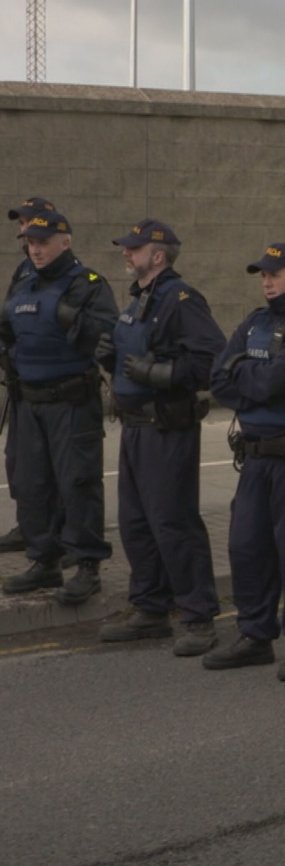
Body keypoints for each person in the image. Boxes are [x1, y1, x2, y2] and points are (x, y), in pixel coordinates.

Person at [94, 219, 225, 656]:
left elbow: (212, 361)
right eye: (126, 247)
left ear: (159, 254)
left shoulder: (180, 299)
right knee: (136, 522)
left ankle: (198, 615)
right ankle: (150, 606)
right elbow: (136, 354)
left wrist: (163, 373)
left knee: (173, 521)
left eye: (134, 248)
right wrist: (111, 358)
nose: (126, 254)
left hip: (166, 429)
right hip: (135, 430)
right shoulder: (139, 300)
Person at [205, 243, 285, 682]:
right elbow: (219, 380)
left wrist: (251, 378)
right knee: (246, 547)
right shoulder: (256, 322)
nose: (266, 281)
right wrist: (257, 382)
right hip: (256, 457)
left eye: (274, 274)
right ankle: (255, 636)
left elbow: (284, 378)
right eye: (262, 274)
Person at [0, 209, 116, 604]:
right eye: (30, 243)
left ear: (64, 242)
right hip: (30, 402)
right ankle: (44, 560)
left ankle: (86, 566)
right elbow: (8, 328)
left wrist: (68, 319)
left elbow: (106, 334)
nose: (35, 250)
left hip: (71, 401)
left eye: (43, 242)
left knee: (78, 483)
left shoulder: (87, 284)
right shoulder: (24, 282)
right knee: (33, 485)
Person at [0, 197, 61, 555]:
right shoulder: (24, 270)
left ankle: (55, 532)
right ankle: (31, 524)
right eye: (21, 223)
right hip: (22, 382)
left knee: (49, 466)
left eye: (28, 221)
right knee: (18, 460)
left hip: (51, 389)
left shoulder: (57, 271)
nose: (22, 230)